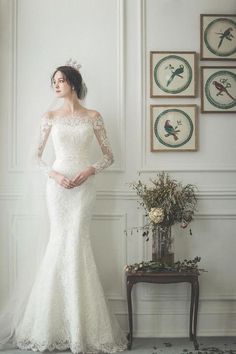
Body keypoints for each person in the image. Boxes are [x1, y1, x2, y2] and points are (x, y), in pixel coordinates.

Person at [0, 61, 128, 353]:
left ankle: (82, 327)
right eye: (53, 81)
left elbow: (109, 156)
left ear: (73, 82)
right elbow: (35, 157)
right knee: (59, 242)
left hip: (84, 188)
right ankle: (48, 324)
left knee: (78, 243)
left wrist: (90, 170)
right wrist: (55, 175)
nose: (56, 85)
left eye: (60, 80)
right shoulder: (50, 116)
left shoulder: (94, 116)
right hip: (57, 188)